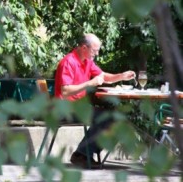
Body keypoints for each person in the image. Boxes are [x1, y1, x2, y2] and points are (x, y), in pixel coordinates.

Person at [54, 33, 135, 168]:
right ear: (84, 48)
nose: (96, 54)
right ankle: (81, 155)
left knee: (115, 118)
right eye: (94, 50)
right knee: (106, 118)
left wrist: (121, 76)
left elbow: (103, 76)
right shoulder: (69, 62)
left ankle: (84, 154)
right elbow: (65, 91)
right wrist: (90, 83)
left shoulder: (87, 61)